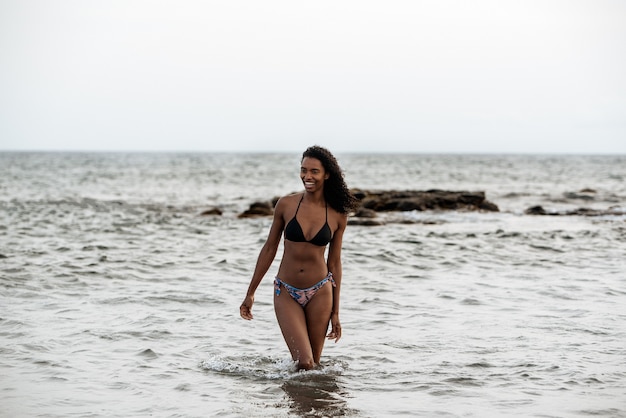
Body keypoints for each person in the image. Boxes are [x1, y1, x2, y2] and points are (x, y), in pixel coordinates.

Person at [240, 145, 359, 370]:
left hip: (321, 292)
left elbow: (334, 262)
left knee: (314, 367)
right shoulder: (286, 205)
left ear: (327, 174)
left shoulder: (338, 214)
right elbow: (269, 248)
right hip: (286, 291)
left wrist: (336, 312)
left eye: (314, 171)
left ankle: (311, 404)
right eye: (304, 170)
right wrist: (250, 293)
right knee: (304, 363)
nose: (307, 176)